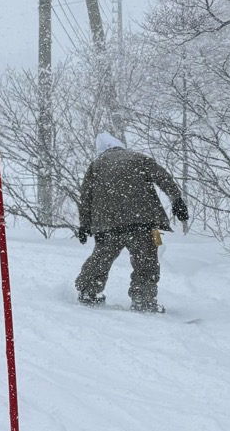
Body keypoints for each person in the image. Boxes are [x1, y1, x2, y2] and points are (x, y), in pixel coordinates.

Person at [75, 132, 189, 313]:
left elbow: (86, 198)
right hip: (142, 222)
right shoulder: (138, 158)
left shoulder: (96, 166)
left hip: (108, 226)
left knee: (101, 259)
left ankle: (88, 291)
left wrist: (84, 225)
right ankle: (143, 299)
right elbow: (164, 178)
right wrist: (176, 200)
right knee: (146, 262)